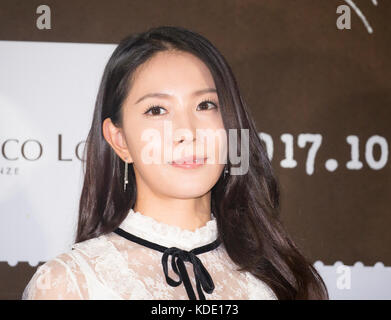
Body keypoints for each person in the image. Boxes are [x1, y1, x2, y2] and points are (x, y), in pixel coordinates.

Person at [22, 26, 328, 300]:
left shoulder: (280, 279)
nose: (187, 132)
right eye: (157, 110)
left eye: (205, 105)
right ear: (120, 140)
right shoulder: (69, 285)